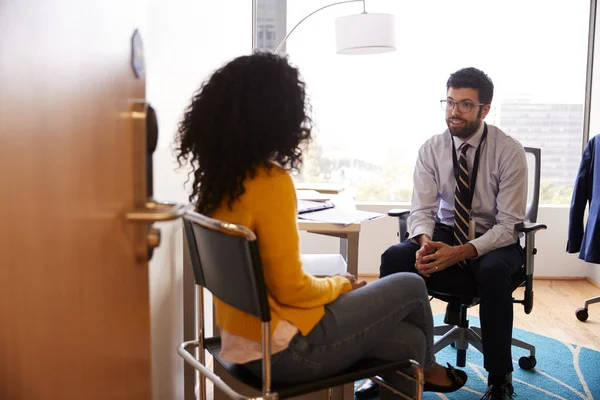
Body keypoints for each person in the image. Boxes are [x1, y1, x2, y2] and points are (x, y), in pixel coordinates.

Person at [175, 52, 467, 399]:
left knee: (410, 340)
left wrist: (332, 287)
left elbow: (273, 280)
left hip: (241, 342)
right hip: (287, 351)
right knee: (409, 284)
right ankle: (430, 369)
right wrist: (338, 285)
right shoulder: (270, 182)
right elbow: (291, 289)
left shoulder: (219, 183)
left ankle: (421, 366)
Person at [358, 67, 527, 400]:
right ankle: (387, 366)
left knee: (493, 273)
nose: (454, 112)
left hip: (494, 239)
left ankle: (499, 379)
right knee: (394, 257)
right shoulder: (432, 148)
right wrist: (424, 242)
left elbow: (508, 225)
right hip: (445, 232)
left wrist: (460, 252)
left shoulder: (508, 151)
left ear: (485, 110)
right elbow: (421, 210)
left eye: (465, 104)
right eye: (449, 102)